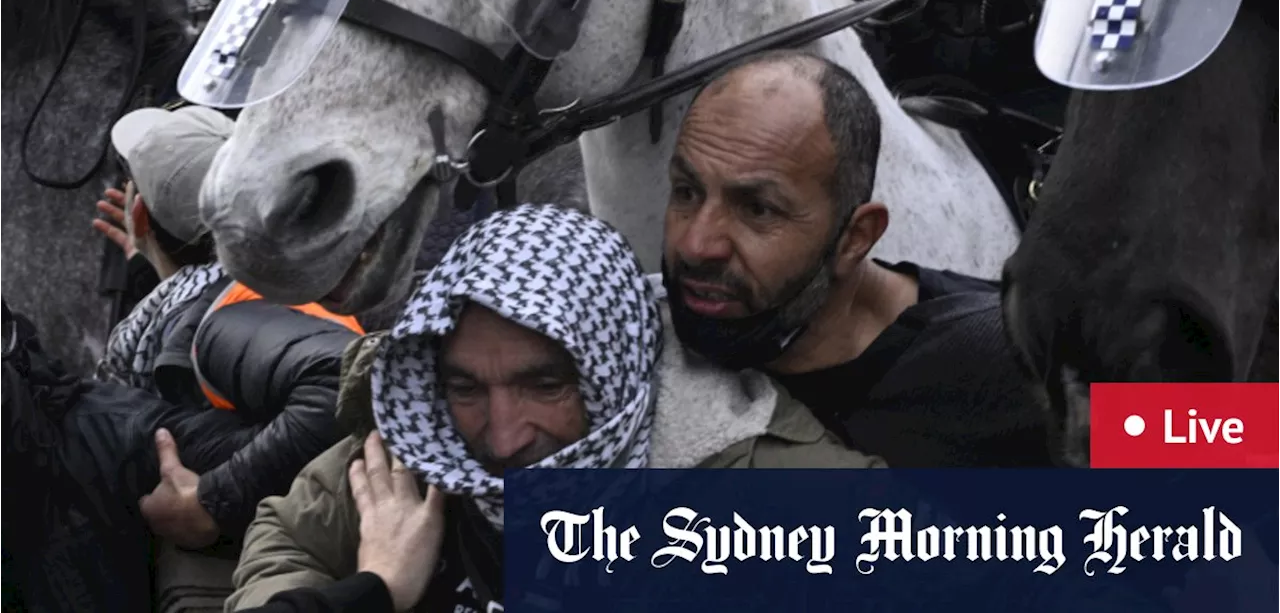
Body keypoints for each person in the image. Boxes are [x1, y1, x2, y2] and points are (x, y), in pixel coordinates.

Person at [225, 204, 885, 613]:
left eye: (545, 386)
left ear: (612, 367)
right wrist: (375, 588)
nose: (504, 437)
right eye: (467, 388)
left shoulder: (758, 481)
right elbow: (286, 541)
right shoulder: (417, 448)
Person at [660, 49, 1053, 467]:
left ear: (854, 239)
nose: (696, 245)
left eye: (758, 209)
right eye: (687, 191)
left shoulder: (1009, 359)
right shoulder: (636, 337)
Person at [84, 103, 366, 549]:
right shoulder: (286, 281)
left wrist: (213, 501)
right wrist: (154, 272)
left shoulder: (220, 323)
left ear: (137, 216)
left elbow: (342, 380)